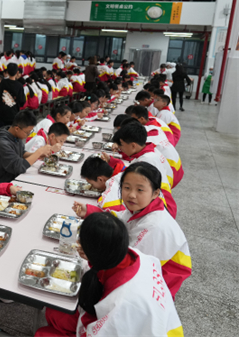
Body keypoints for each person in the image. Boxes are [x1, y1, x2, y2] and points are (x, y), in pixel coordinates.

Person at [35, 212, 184, 337]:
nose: (78, 242)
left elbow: (95, 332)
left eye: (82, 241)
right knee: (54, 313)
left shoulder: (119, 303)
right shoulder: (136, 255)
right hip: (145, 321)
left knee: (43, 333)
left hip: (129, 326)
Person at [73, 162, 191, 298]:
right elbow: (120, 219)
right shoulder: (142, 208)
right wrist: (90, 211)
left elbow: (129, 263)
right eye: (127, 188)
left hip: (156, 284)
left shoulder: (154, 225)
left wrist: (94, 257)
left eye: (140, 190)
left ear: (155, 193)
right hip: (142, 269)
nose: (131, 195)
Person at [107, 122, 177, 218]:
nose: (119, 148)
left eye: (121, 145)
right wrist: (113, 161)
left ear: (133, 146)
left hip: (161, 207)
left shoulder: (146, 160)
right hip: (159, 201)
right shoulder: (150, 152)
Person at [0, 110, 53, 183]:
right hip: (0, 183)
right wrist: (39, 152)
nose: (28, 135)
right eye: (27, 132)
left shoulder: (15, 136)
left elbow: (21, 153)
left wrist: (37, 155)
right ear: (17, 128)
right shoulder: (3, 144)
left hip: (13, 178)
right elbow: (19, 167)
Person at [0, 64, 26, 128]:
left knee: (1, 133)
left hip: (2, 114)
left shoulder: (3, 82)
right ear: (17, 72)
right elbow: (22, 101)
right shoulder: (19, 85)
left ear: (7, 72)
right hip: (13, 114)